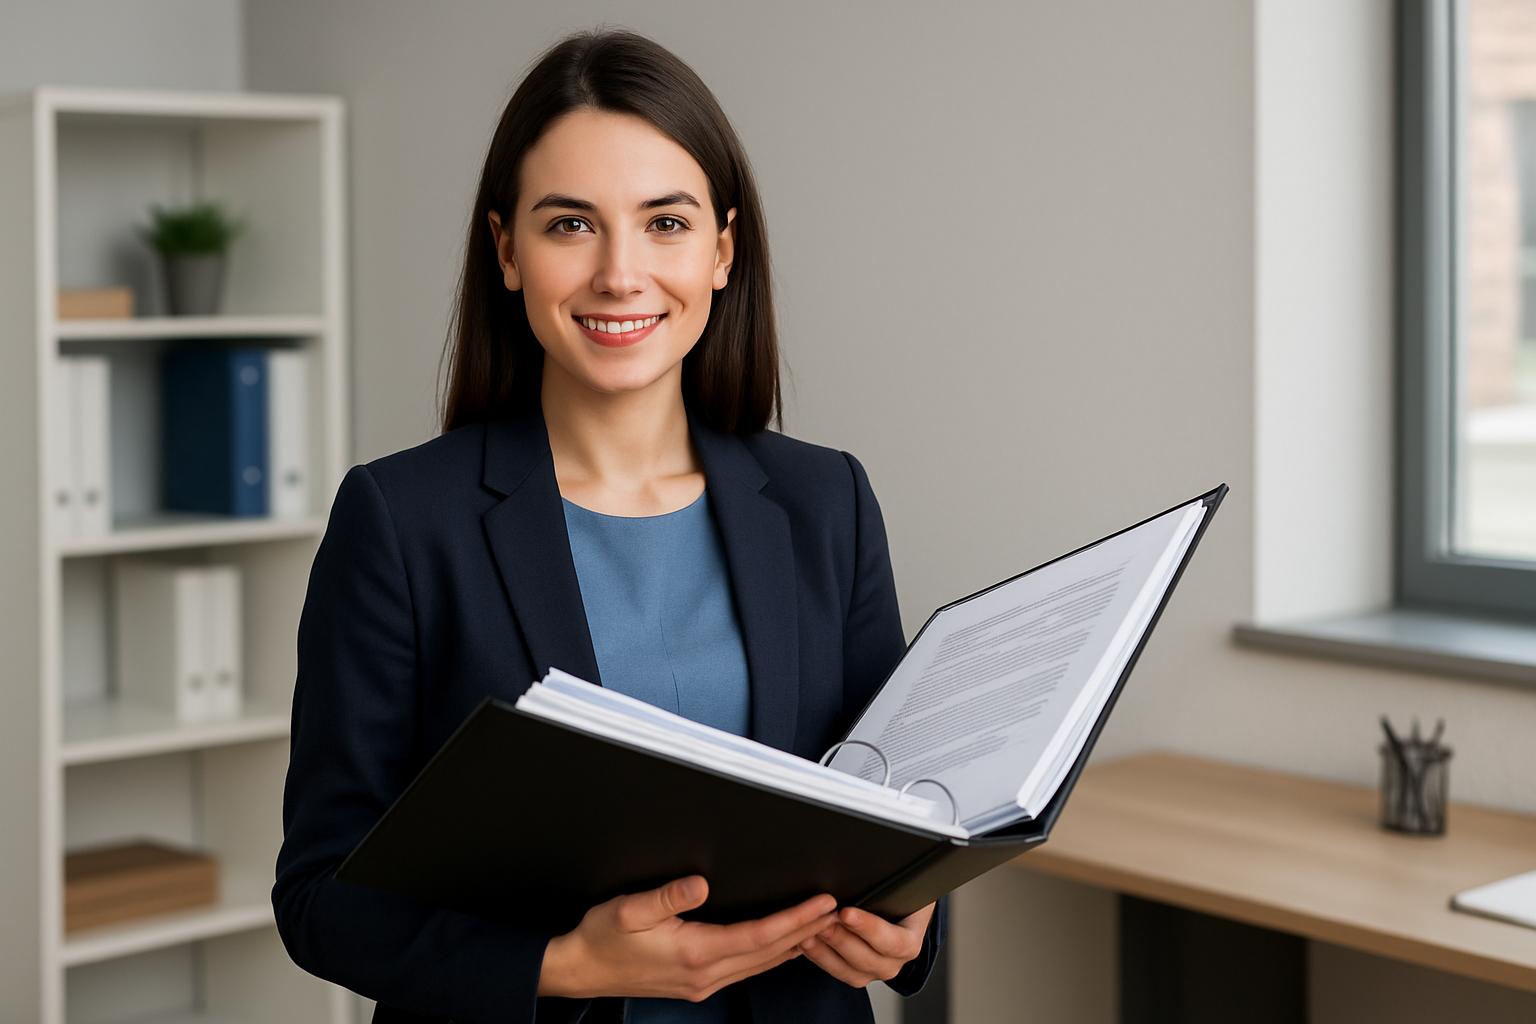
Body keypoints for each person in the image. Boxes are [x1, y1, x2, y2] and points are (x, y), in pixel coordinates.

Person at [273, 29, 944, 1024]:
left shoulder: (826, 503)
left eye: (664, 223)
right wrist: (565, 963)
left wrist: (911, 919)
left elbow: (892, 811)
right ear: (508, 250)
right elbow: (321, 897)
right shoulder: (401, 523)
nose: (621, 275)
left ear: (722, 250)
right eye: (571, 225)